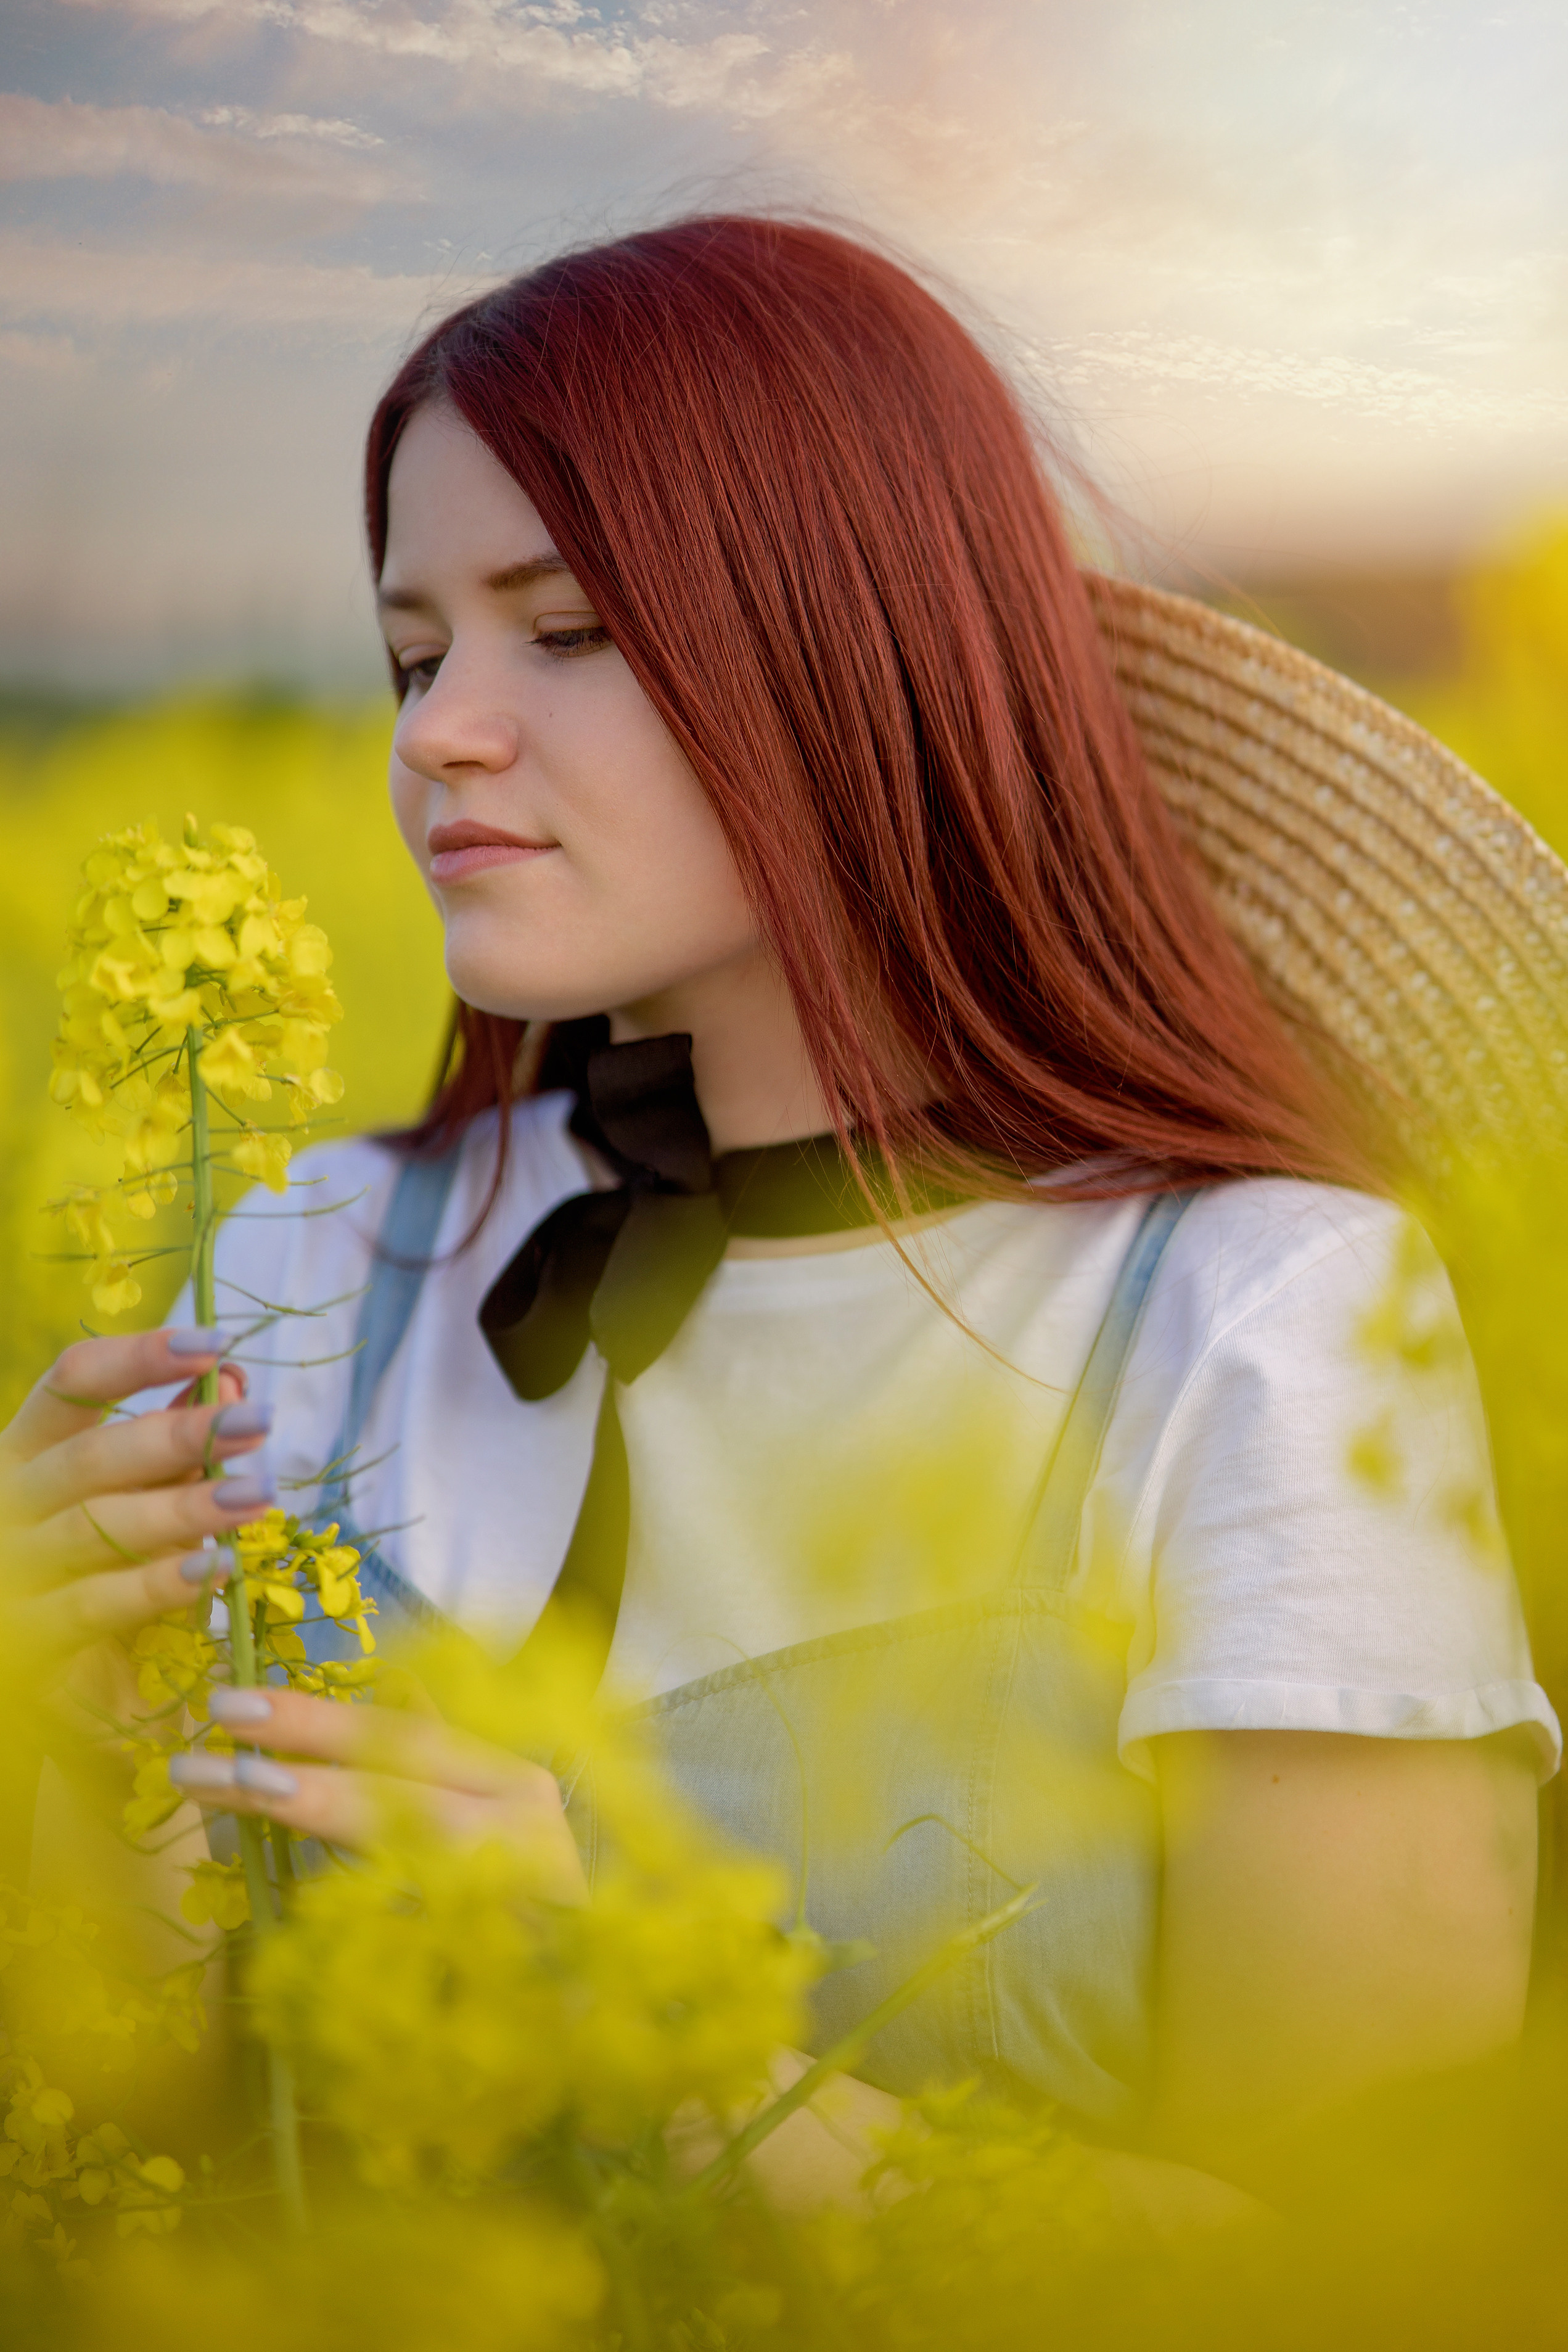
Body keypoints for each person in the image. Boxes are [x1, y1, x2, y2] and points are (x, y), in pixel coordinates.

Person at [2, 215, 1555, 2223]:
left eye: (562, 633)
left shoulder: (1268, 1317)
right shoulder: (305, 1268)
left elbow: (1364, 2270)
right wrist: (64, 1738)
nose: (435, 733)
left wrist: (652, 2045)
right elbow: (161, 2136)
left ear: (850, 652)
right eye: (409, 653)